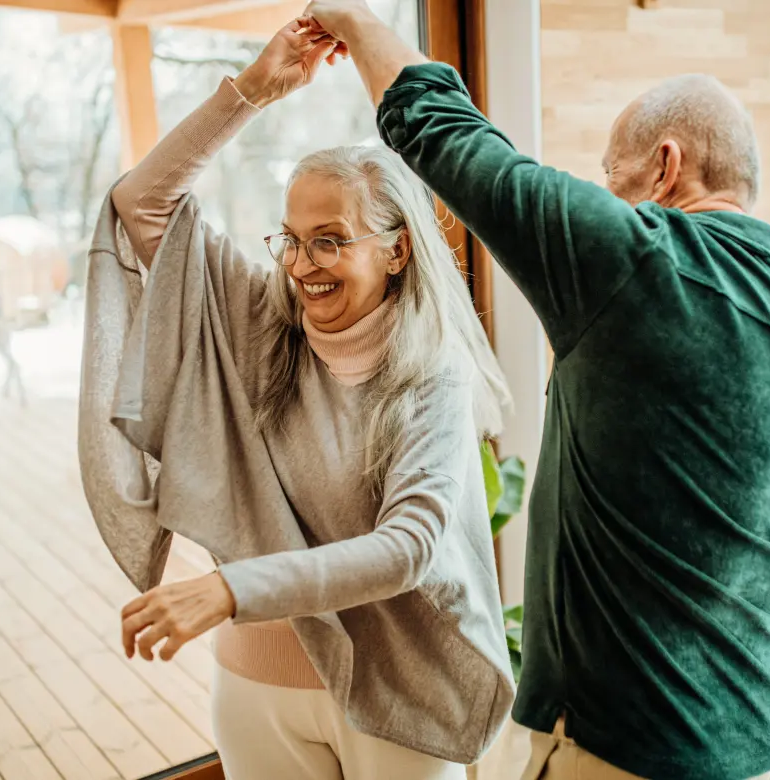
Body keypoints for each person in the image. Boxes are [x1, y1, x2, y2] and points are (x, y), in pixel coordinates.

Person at [302, 3, 770, 779]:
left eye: (612, 177)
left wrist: (355, 23)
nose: (607, 195)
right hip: (741, 748)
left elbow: (444, 131)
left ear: (665, 166)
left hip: (614, 750)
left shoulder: (638, 262)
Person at [79, 18, 514, 780]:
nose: (302, 265)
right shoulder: (259, 319)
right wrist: (253, 90)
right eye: (291, 239)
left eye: (330, 239)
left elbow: (411, 545)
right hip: (257, 685)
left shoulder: (433, 374)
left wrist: (228, 587)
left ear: (396, 248)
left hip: (396, 687)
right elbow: (140, 204)